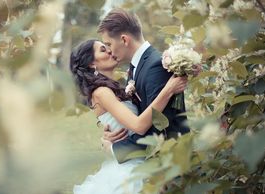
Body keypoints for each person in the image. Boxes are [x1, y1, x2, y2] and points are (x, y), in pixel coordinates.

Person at [70, 39, 187, 194]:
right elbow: (139, 125)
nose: (110, 51)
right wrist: (168, 90)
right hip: (129, 167)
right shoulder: (101, 92)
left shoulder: (113, 87)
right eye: (103, 50)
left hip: (138, 156)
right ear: (92, 63)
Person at [98, 8, 190, 164]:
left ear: (124, 40)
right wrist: (113, 133)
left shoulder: (155, 67)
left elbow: (158, 130)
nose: (109, 51)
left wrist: (114, 148)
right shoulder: (137, 66)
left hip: (171, 164)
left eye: (109, 44)